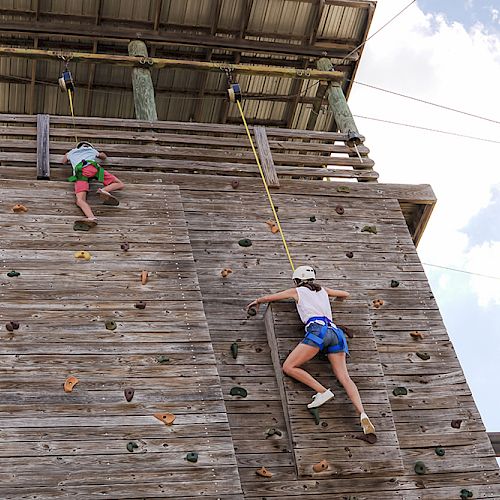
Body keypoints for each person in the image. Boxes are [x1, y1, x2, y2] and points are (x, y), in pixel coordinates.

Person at [247, 265, 375, 435]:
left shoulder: (296, 291)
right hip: (336, 333)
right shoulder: (323, 290)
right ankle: (362, 413)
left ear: (296, 280)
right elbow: (345, 294)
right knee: (345, 377)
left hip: (318, 331)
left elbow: (271, 297)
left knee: (289, 367)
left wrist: (257, 301)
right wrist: (334, 301)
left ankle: (322, 391)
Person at [62, 141, 124, 225]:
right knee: (119, 184)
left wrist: (68, 155)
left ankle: (91, 217)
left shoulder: (71, 152)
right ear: (89, 146)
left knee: (80, 200)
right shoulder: (92, 150)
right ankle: (104, 190)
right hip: (93, 168)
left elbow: (63, 161)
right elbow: (104, 157)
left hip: (80, 174)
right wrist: (100, 154)